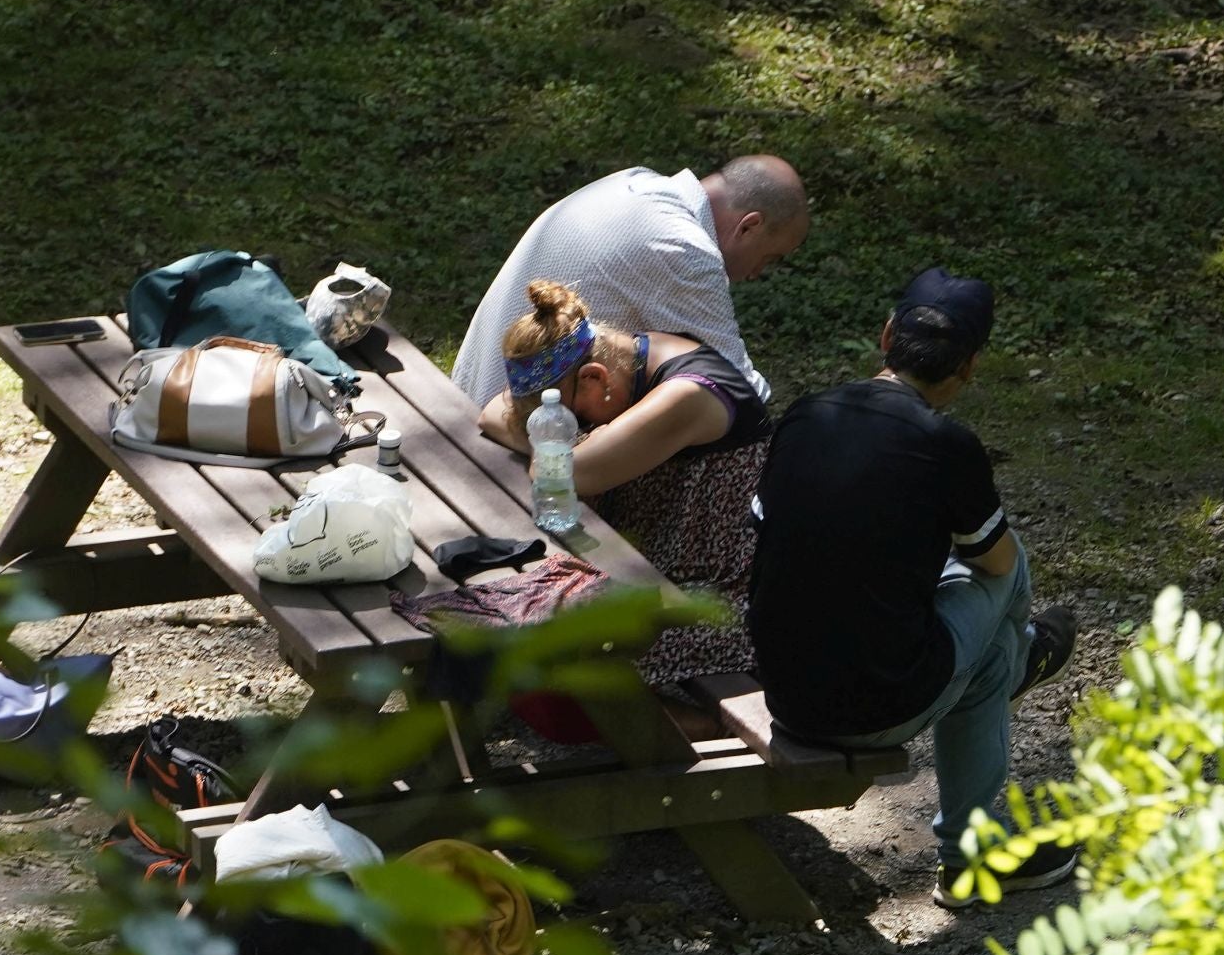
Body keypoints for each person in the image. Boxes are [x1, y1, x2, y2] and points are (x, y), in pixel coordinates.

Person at [746, 268, 1078, 908]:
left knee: (983, 656)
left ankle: (976, 848)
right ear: (970, 367)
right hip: (875, 709)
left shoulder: (806, 415)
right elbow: (997, 562)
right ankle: (1024, 660)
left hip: (784, 690)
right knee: (1007, 574)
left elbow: (771, 534)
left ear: (886, 334)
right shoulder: (945, 443)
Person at [478, 279, 770, 691]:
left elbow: (560, 474)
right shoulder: (616, 355)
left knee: (572, 652)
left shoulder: (688, 394)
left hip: (714, 597)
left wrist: (555, 452)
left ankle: (698, 721)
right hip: (637, 564)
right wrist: (560, 439)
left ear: (594, 378)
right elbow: (493, 412)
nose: (571, 432)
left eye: (574, 421)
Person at [450, 157, 810, 406]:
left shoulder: (633, 182)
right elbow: (739, 389)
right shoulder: (683, 248)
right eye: (768, 258)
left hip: (465, 399)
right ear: (749, 226)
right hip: (508, 440)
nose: (756, 274)